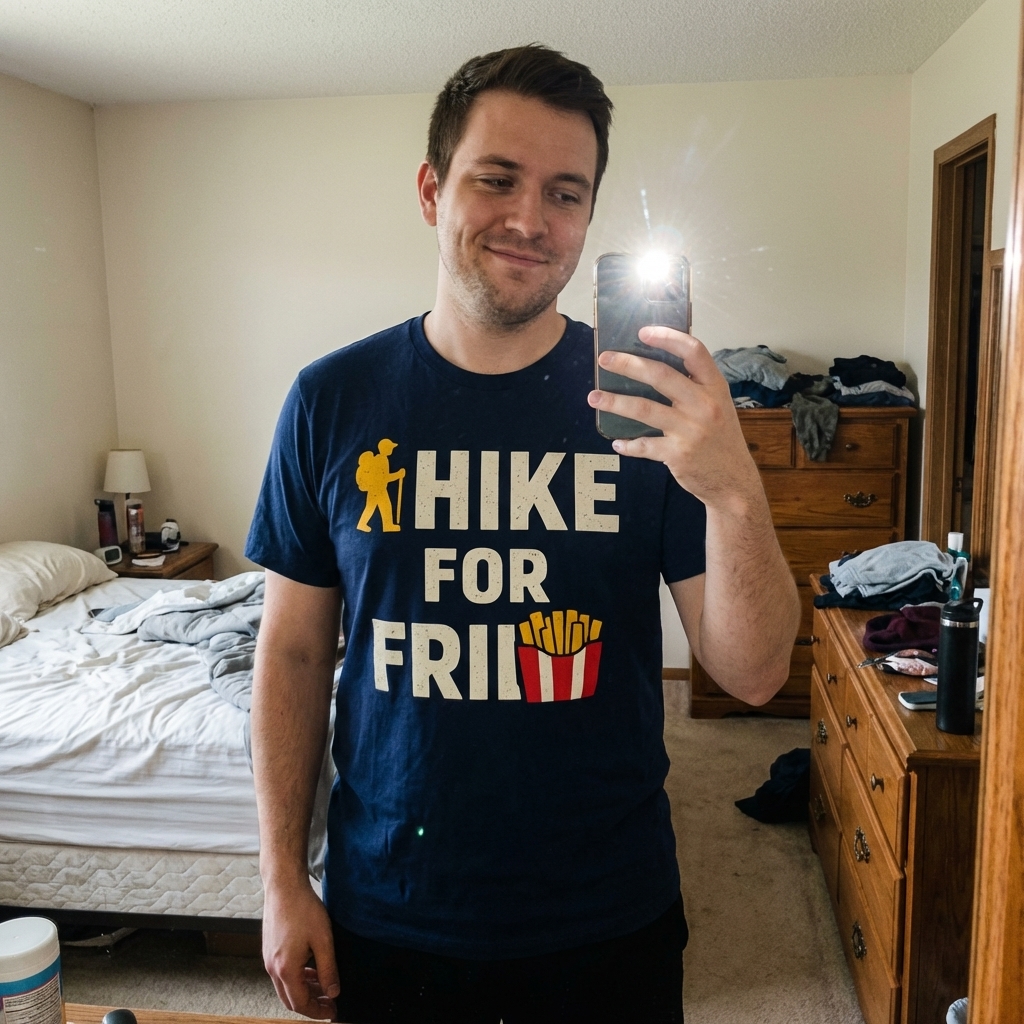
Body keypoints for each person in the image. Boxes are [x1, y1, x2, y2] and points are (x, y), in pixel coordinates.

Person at [245, 43, 800, 1024]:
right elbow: (290, 652)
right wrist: (282, 879)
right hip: (391, 912)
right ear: (432, 191)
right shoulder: (331, 400)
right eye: (496, 179)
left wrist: (734, 493)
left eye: (565, 193)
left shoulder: (651, 410)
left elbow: (753, 675)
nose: (530, 221)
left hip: (607, 918)